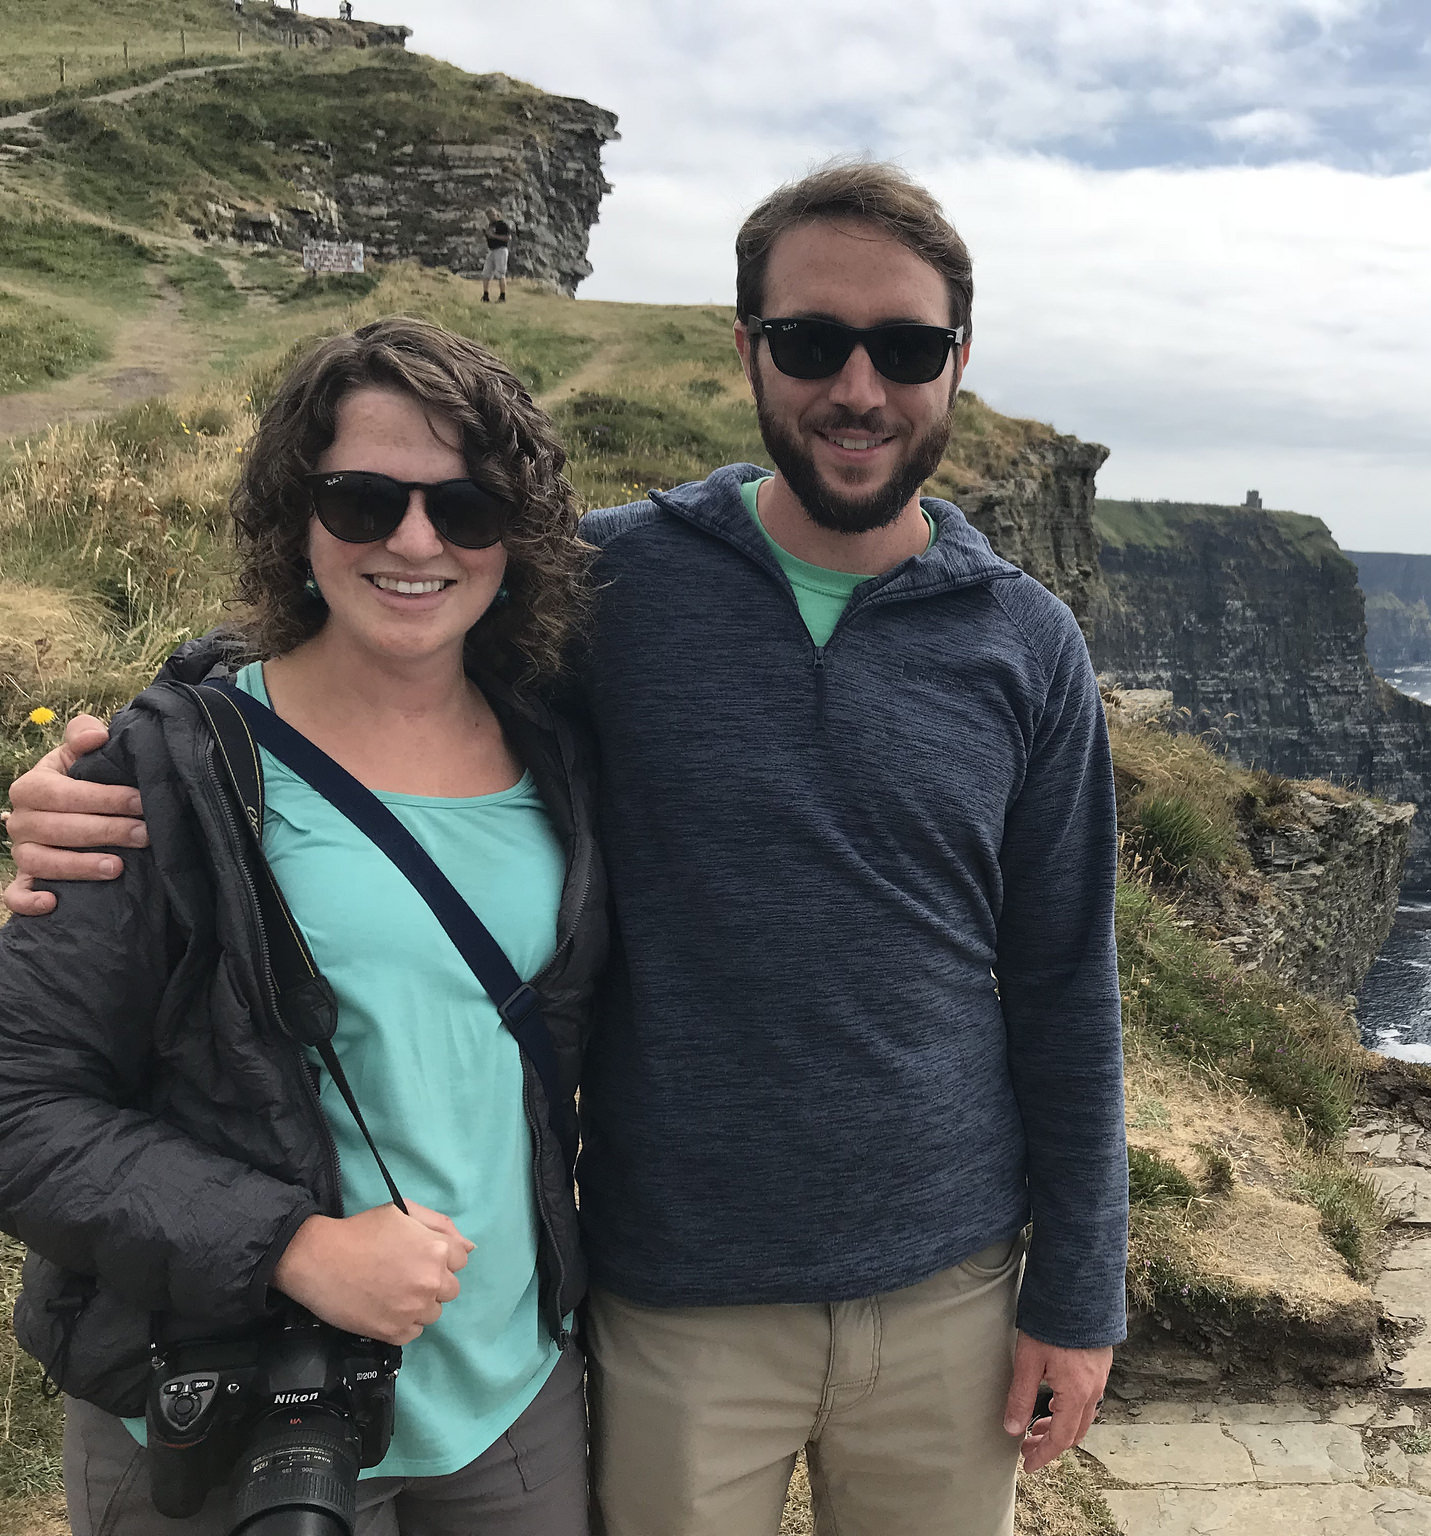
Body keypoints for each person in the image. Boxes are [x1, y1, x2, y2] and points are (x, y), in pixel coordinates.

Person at [5, 160, 1128, 1536]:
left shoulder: (1027, 645)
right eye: (808, 341)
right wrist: (131, 742)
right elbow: (391, 615)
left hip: (948, 1284)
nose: (856, 387)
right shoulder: (625, 584)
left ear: (957, 360)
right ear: (748, 352)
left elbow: (1069, 980)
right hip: (672, 1291)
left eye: (903, 347)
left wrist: (1081, 1291)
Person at [0, 317, 607, 1535]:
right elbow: (22, 1104)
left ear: (517, 534)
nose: (416, 541)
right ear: (298, 513)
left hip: (505, 1400)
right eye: (362, 499)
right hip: (225, 1403)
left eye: (467, 508)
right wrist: (291, 1247)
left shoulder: (555, 749)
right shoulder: (159, 773)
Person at [481, 211, 512, 304]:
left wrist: (494, 236)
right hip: (492, 250)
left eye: (491, 215)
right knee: (486, 272)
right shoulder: (490, 225)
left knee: (500, 272)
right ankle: (485, 295)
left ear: (496, 214)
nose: (490, 217)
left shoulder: (502, 224)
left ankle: (502, 296)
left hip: (501, 249)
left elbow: (508, 237)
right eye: (488, 216)